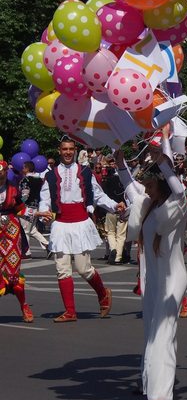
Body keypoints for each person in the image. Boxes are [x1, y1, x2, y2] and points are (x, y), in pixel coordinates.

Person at [115, 130, 187, 400]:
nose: (143, 184)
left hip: (171, 279)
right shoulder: (148, 205)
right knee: (150, 332)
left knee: (163, 333)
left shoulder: (176, 206)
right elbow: (130, 187)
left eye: (149, 180)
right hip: (153, 277)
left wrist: (163, 162)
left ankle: (162, 395)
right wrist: (121, 162)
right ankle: (149, 384)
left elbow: (179, 189)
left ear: (160, 183)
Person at [38, 137, 124, 322]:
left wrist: (114, 206)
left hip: (80, 222)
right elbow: (45, 198)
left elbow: (98, 195)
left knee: (84, 269)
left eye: (71, 149)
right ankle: (70, 311)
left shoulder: (85, 171)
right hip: (60, 224)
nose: (68, 152)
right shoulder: (51, 175)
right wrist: (44, 211)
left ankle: (102, 293)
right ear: (59, 150)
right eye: (64, 149)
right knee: (62, 269)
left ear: (75, 150)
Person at [0, 160, 34, 322]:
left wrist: (38, 214)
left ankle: (24, 306)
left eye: (2, 171)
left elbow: (21, 209)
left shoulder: (13, 189)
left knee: (13, 274)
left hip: (12, 232)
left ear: (6, 172)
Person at [19, 161, 49, 256]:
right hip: (36, 206)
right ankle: (48, 245)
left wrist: (19, 203)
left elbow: (25, 194)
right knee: (32, 230)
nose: (22, 169)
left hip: (27, 207)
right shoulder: (39, 180)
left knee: (25, 230)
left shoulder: (26, 180)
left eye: (23, 167)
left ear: (27, 169)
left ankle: (26, 252)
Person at [101, 162, 128, 264]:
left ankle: (113, 249)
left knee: (110, 232)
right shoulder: (123, 181)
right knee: (121, 234)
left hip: (110, 210)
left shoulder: (106, 182)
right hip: (123, 209)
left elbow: (103, 196)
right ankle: (118, 256)